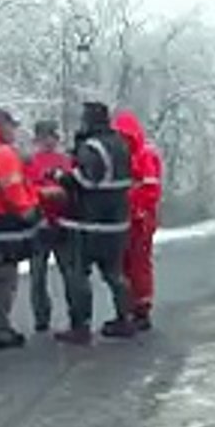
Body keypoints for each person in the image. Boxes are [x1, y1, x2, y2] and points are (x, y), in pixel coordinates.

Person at [54, 101, 134, 345]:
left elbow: (87, 180)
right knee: (115, 274)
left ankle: (81, 326)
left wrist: (61, 176)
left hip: (86, 223)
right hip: (117, 222)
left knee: (77, 274)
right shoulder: (121, 144)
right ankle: (125, 318)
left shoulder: (91, 147)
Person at [0, 108, 43, 348]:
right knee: (2, 279)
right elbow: (12, 188)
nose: (14, 131)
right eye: (11, 126)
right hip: (1, 225)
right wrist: (29, 211)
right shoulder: (2, 153)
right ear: (1, 126)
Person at [113, 109, 163, 331]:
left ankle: (141, 309)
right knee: (123, 264)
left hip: (140, 219)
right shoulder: (122, 157)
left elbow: (151, 189)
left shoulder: (144, 155)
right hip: (124, 218)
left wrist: (134, 204)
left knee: (138, 264)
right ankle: (127, 308)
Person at [24, 119, 72, 332]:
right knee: (37, 276)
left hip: (62, 223)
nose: (48, 141)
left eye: (52, 137)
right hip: (39, 223)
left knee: (70, 273)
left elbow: (73, 187)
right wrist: (43, 194)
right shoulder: (30, 162)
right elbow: (24, 189)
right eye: (44, 137)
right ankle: (41, 317)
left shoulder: (65, 161)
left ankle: (76, 316)